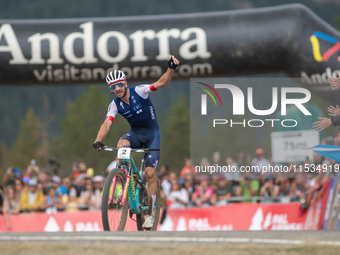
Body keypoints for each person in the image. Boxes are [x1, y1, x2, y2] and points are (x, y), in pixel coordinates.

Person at [92, 56, 179, 229]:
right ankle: (123, 176)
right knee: (121, 144)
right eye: (113, 87)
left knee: (150, 174)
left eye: (119, 85)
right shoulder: (115, 104)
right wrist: (98, 140)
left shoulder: (139, 91)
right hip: (135, 135)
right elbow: (107, 123)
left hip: (152, 135)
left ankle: (152, 211)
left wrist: (171, 69)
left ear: (125, 83)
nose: (117, 89)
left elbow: (160, 83)